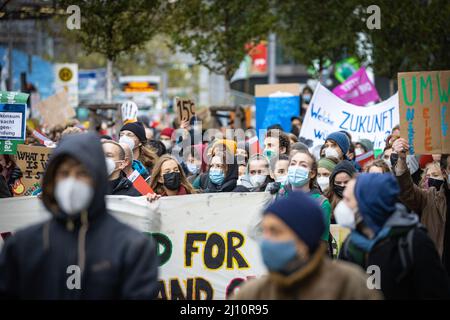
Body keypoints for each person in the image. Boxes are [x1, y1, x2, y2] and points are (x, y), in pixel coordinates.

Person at [0, 132, 159, 299]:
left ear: (97, 176)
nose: (72, 181)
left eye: (82, 173)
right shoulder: (23, 246)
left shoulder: (132, 248)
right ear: (52, 179)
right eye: (64, 173)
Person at [232, 191, 381, 300]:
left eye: (275, 232)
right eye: (265, 231)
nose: (266, 239)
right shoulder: (253, 294)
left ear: (303, 240)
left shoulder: (349, 284)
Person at [337, 174, 450, 299]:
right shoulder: (351, 244)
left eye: (347, 200)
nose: (342, 205)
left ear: (368, 204)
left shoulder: (414, 242)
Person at [392, 138, 450, 276]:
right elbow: (406, 190)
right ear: (445, 172)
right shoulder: (429, 199)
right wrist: (400, 159)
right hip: (438, 279)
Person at [274, 150, 331, 244]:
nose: (296, 168)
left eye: (303, 165)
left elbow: (321, 243)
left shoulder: (321, 203)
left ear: (312, 174)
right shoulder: (280, 193)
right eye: (293, 164)